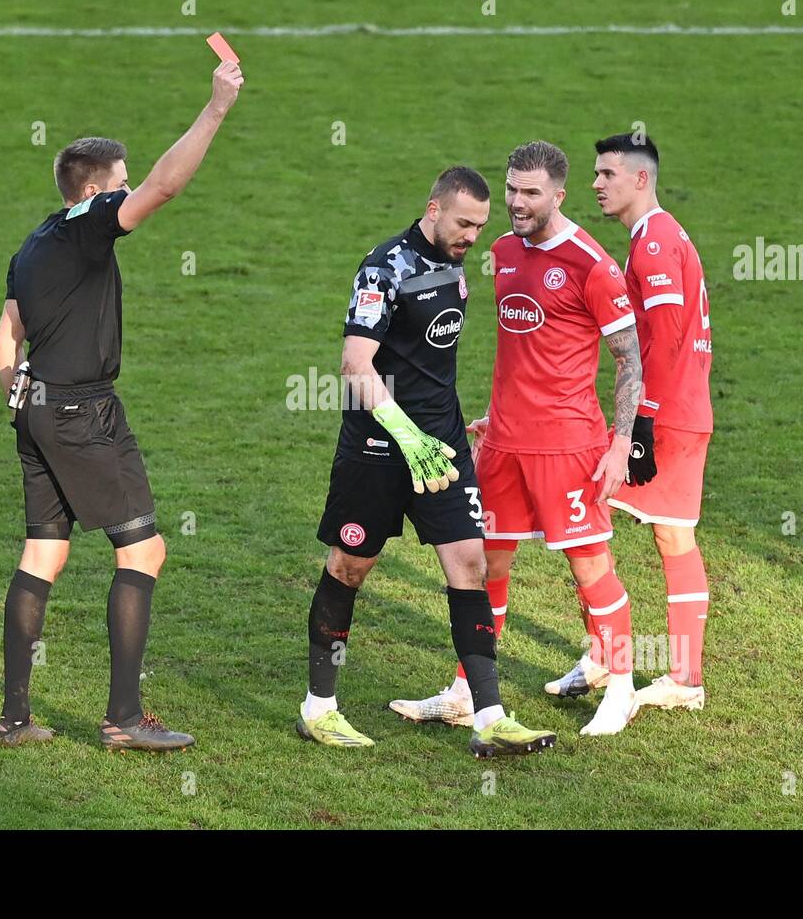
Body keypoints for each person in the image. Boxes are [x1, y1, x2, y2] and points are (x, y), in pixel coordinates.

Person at [0, 60, 244, 750]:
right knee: (145, 549)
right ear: (96, 192)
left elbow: (5, 334)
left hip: (37, 408)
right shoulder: (87, 223)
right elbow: (164, 185)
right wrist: (216, 107)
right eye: (119, 182)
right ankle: (124, 721)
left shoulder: (34, 242)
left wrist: (17, 387)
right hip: (82, 413)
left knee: (43, 553)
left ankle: (16, 719)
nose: (128, 189)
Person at [391, 141, 645, 736]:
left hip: (568, 445)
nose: (516, 202)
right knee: (483, 566)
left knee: (588, 567)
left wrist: (619, 444)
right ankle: (464, 690)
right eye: (511, 189)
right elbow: (525, 349)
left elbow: (630, 361)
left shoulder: (591, 265)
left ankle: (623, 683)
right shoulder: (502, 251)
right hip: (504, 442)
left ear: (559, 194)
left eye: (530, 192)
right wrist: (492, 413)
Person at [302, 166, 556, 758]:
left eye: (480, 226)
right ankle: (319, 709)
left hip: (440, 449)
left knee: (470, 564)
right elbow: (355, 366)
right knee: (348, 568)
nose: (472, 235)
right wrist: (405, 435)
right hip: (379, 449)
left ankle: (489, 718)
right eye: (464, 222)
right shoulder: (384, 268)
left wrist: (437, 431)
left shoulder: (457, 264)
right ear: (434, 209)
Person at [561, 132, 712, 712]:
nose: (596, 185)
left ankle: (610, 657)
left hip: (666, 417)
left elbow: (669, 336)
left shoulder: (652, 245)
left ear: (640, 179)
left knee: (581, 511)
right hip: (686, 411)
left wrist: (642, 422)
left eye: (606, 175)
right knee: (671, 534)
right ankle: (680, 676)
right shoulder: (661, 236)